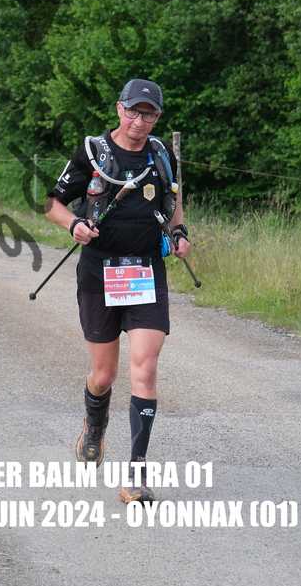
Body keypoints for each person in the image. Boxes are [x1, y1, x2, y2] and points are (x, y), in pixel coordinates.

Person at [45, 77, 191, 505]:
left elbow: (173, 200)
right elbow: (52, 203)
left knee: (145, 367)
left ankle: (137, 474)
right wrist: (74, 225)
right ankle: (95, 426)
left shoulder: (161, 155)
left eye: (148, 114)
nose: (139, 121)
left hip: (145, 271)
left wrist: (179, 231)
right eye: (133, 111)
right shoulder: (93, 152)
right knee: (104, 375)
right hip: (99, 273)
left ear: (157, 117)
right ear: (118, 109)